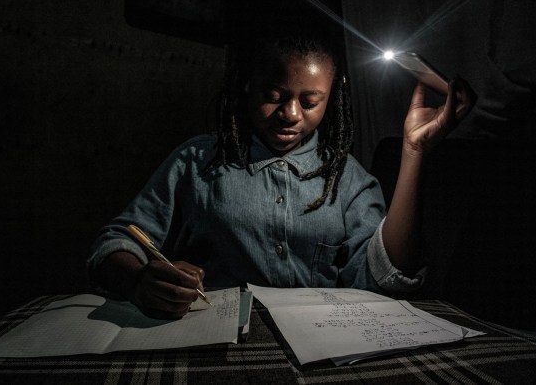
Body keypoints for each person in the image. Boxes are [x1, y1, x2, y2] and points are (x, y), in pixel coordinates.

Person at [87, 34, 476, 319]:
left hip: (322, 343)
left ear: (331, 98)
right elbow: (116, 242)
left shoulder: (346, 178)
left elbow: (387, 275)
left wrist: (414, 152)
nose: (290, 114)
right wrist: (139, 281)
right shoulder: (197, 162)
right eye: (274, 95)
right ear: (247, 86)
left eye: (310, 102)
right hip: (210, 338)